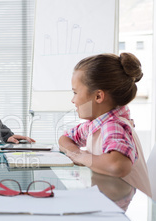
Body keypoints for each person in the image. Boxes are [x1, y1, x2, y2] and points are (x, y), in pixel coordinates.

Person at [58, 53, 152, 198]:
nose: (73, 100)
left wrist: (82, 157)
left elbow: (118, 165)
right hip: (113, 201)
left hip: (128, 212)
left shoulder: (113, 125)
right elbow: (64, 138)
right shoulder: (95, 124)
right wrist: (75, 153)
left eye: (75, 92)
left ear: (98, 97)